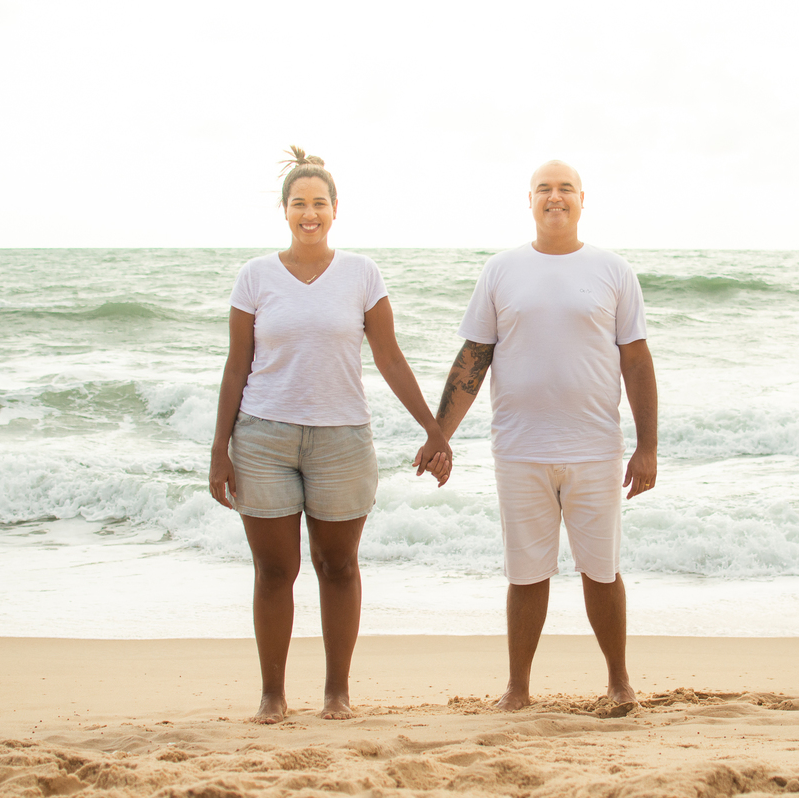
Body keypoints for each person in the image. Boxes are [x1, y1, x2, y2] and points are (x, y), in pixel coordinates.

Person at [209, 146, 451, 723]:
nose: (309, 213)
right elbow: (236, 365)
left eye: (319, 203)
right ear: (284, 210)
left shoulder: (363, 274)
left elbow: (389, 358)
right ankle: (272, 695)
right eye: (299, 204)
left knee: (338, 566)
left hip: (343, 438)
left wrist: (434, 428)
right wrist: (220, 450)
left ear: (336, 209)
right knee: (274, 571)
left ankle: (337, 692)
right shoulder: (256, 276)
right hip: (263, 438)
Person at [421, 160, 658, 711]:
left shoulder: (613, 270)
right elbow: (473, 357)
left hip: (595, 448)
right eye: (545, 190)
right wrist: (440, 436)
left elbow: (637, 361)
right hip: (520, 448)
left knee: (601, 571)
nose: (556, 198)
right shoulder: (501, 271)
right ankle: (518, 689)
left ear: (582, 200)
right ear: (528, 200)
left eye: (566, 189)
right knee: (525, 574)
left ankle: (619, 682)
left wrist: (647, 447)